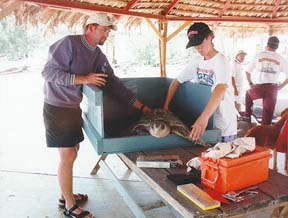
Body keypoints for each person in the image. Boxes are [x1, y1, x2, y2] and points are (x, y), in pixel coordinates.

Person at [42, 13, 151, 218]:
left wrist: (143, 108)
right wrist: (84, 78)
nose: (107, 33)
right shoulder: (69, 44)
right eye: (104, 29)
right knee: (68, 155)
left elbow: (114, 84)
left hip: (73, 107)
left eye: (109, 30)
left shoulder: (97, 55)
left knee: (73, 150)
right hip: (57, 107)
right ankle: (70, 206)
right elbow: (48, 73)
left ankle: (65, 195)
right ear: (90, 27)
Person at [163, 22, 237, 143]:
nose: (198, 48)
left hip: (223, 125)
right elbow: (176, 82)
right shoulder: (196, 61)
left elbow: (220, 88)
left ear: (210, 37)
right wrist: (166, 106)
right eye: (195, 45)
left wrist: (204, 117)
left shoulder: (221, 61)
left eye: (200, 43)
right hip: (206, 123)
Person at [243, 36, 288, 125]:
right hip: (272, 89)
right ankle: (265, 129)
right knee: (268, 114)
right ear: (277, 47)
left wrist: (250, 83)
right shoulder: (281, 59)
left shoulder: (259, 55)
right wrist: (281, 86)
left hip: (259, 87)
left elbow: (247, 71)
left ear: (267, 44)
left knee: (248, 94)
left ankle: (247, 116)